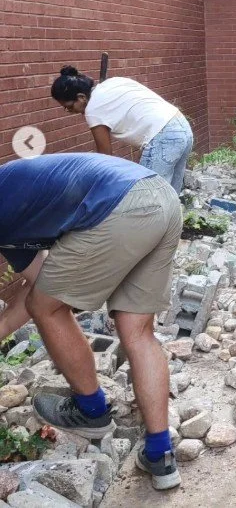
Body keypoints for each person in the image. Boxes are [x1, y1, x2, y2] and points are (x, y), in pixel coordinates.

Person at [0, 153, 182, 490]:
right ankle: (160, 455)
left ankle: (91, 411)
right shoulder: (13, 221)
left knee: (47, 308)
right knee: (137, 331)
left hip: (118, 205)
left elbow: (46, 304)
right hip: (161, 198)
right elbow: (40, 287)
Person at [51, 67, 193, 194]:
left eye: (69, 106)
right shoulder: (111, 83)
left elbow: (106, 159)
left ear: (81, 97)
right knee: (170, 196)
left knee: (150, 199)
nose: (69, 111)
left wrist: (98, 187)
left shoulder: (93, 110)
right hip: (182, 126)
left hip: (164, 137)